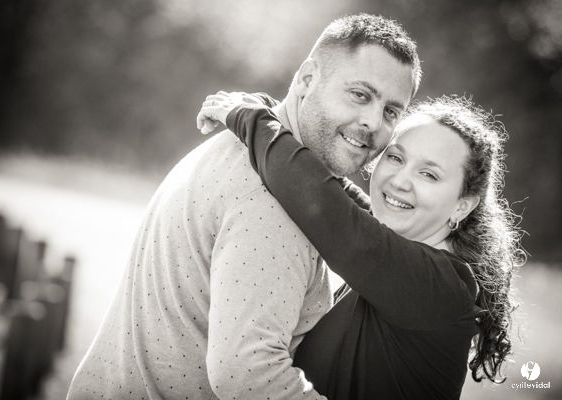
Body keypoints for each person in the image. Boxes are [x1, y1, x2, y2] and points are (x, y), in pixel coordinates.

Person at [67, 14, 422, 400]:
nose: (373, 122)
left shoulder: (249, 150)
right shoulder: (275, 201)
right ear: (307, 79)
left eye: (391, 111)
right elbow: (249, 373)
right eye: (360, 95)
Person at [196, 93, 524, 399]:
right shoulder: (399, 258)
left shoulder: (440, 286)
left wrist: (249, 117)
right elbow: (333, 190)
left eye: (429, 174)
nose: (399, 180)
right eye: (395, 157)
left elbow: (322, 204)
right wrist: (273, 110)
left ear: (462, 206)